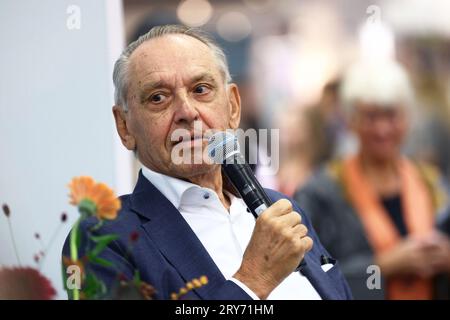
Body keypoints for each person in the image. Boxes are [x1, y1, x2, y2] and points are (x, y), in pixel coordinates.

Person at [62, 25, 352, 300]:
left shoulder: (281, 208)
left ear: (233, 107)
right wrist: (252, 280)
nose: (187, 111)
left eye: (201, 89)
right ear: (125, 126)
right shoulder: (104, 238)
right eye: (158, 97)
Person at [294, 60, 450, 299]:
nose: (382, 129)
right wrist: (381, 268)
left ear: (407, 117)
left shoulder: (431, 182)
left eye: (391, 115)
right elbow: (309, 278)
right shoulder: (320, 193)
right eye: (370, 116)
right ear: (350, 120)